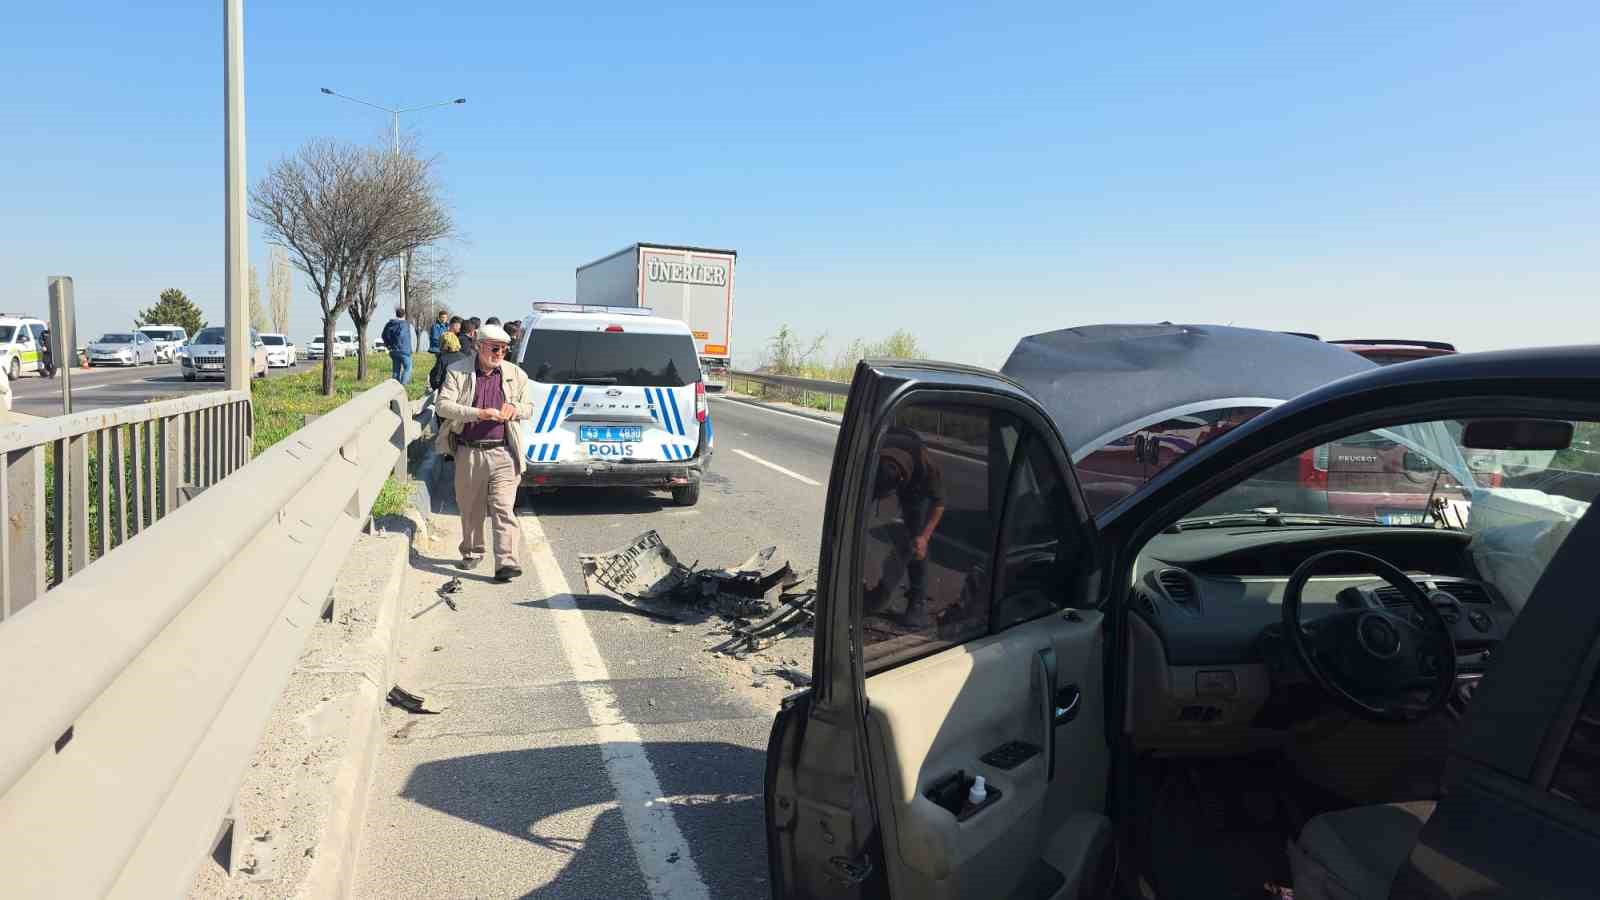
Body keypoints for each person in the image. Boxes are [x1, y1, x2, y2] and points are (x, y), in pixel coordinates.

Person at [433, 324, 534, 582]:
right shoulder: (458, 372)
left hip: (504, 452)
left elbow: (529, 407)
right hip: (470, 451)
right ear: (479, 346)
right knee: (471, 509)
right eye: (494, 348)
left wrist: (515, 409)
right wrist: (478, 413)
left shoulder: (516, 374)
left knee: (503, 507)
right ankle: (472, 552)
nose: (500, 353)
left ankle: (506, 562)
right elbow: (443, 406)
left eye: (504, 349)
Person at [863, 425, 947, 628]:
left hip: (916, 490)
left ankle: (917, 602)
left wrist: (924, 537)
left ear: (901, 480)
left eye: (888, 494)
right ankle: (875, 592)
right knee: (854, 528)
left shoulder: (926, 468)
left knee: (915, 543)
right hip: (879, 469)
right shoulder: (871, 454)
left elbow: (940, 503)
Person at [381, 306, 415, 384]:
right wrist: (400, 345)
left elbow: (384, 335)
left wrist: (389, 345)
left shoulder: (390, 324)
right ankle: (402, 386)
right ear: (404, 315)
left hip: (393, 351)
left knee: (396, 370)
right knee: (408, 368)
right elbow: (402, 335)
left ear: (396, 314)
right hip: (404, 350)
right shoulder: (405, 324)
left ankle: (394, 387)